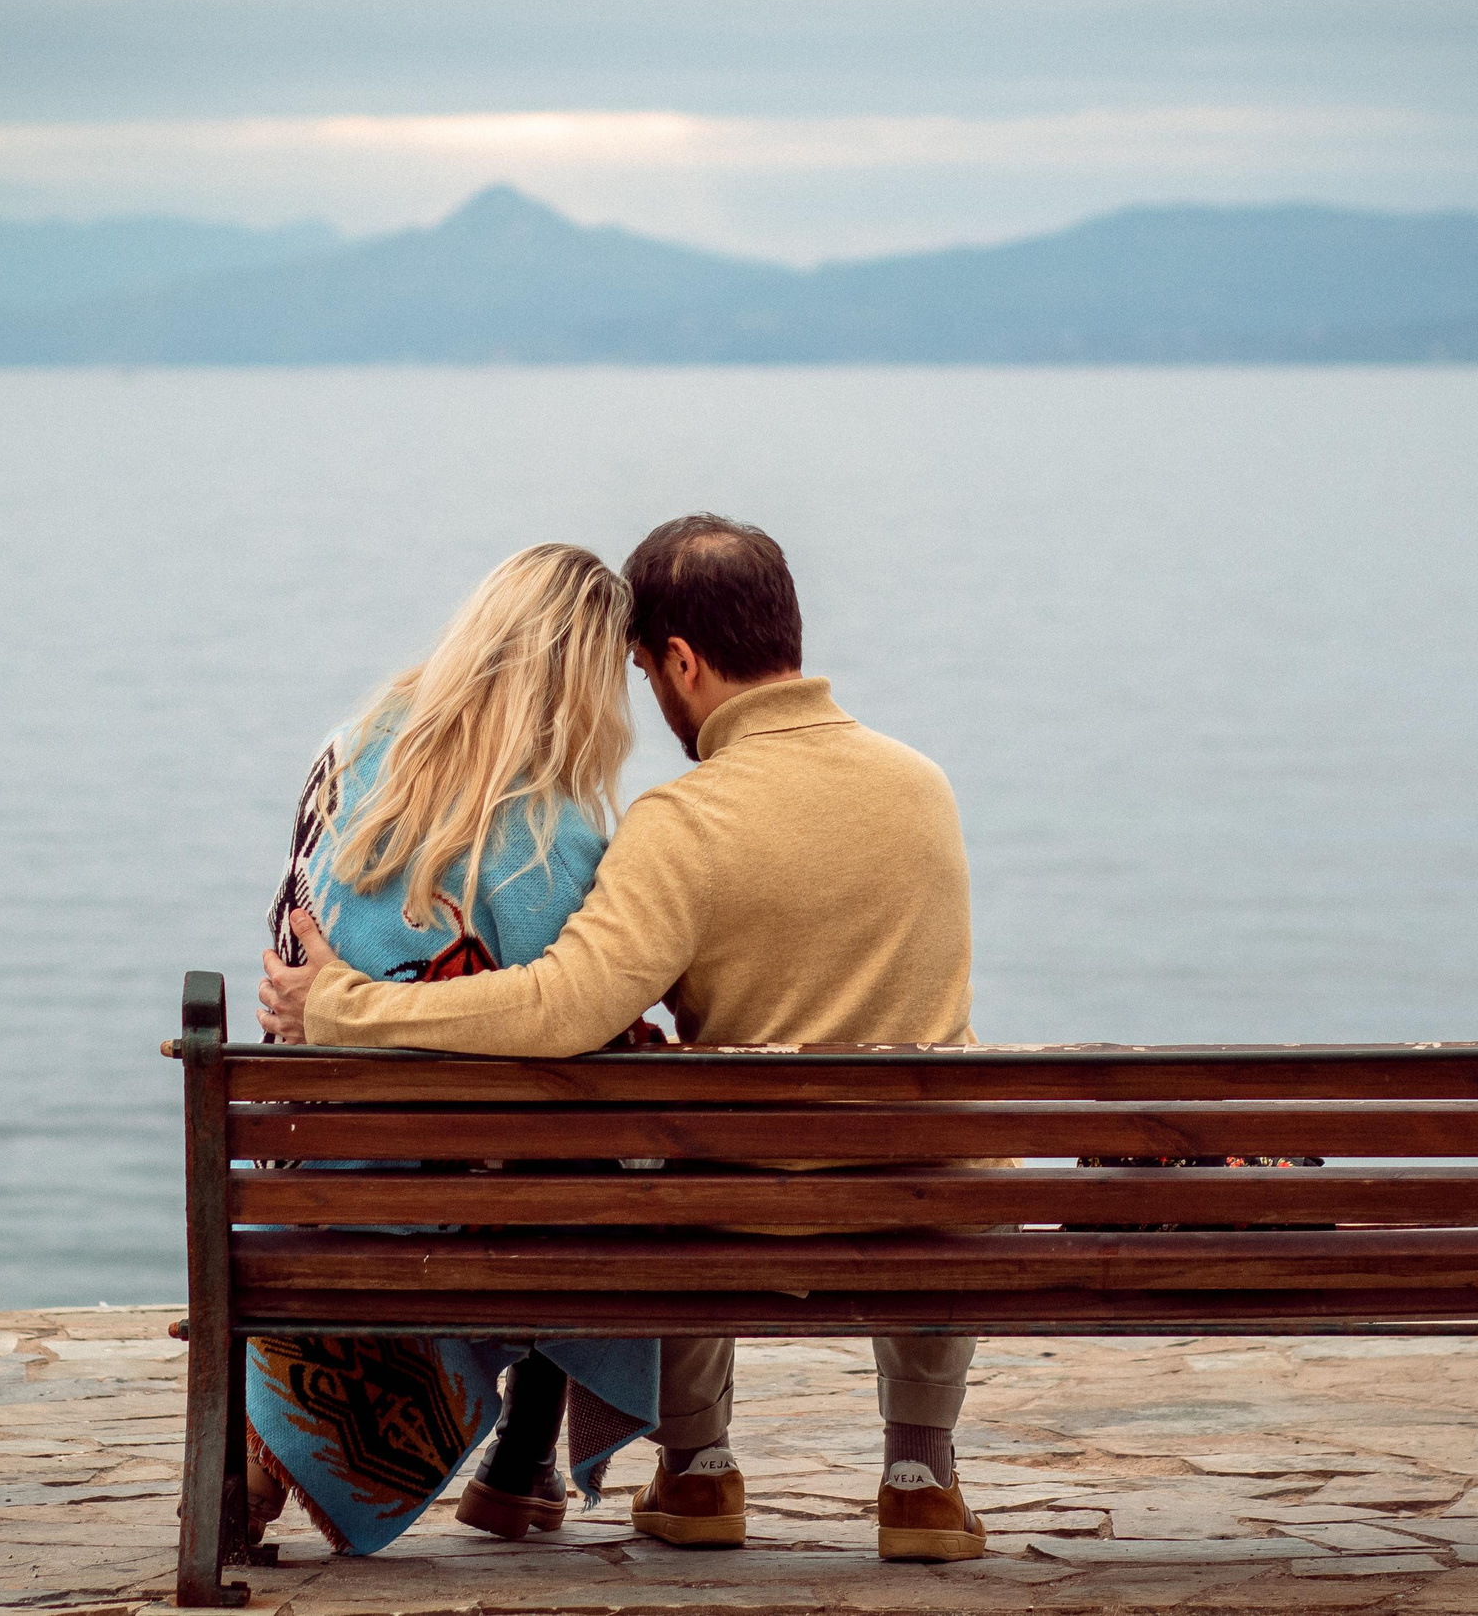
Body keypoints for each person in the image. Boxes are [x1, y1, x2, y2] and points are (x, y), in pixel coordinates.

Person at [260, 514, 989, 1563]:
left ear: (683, 663)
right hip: (921, 1201)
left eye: (648, 671)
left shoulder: (684, 823)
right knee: (931, 1138)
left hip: (738, 1214)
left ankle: (696, 1473)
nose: (646, 696)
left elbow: (564, 1007)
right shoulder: (923, 788)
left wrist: (345, 1010)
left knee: (656, 1158)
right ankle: (920, 1478)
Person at [244, 542, 661, 1557]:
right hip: (467, 1194)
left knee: (519, 1129)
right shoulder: (556, 838)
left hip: (312, 1166)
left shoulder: (344, 755)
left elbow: (290, 934)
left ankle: (282, 1444)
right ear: (583, 680)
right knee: (612, 1131)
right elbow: (566, 1018)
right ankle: (521, 1459)